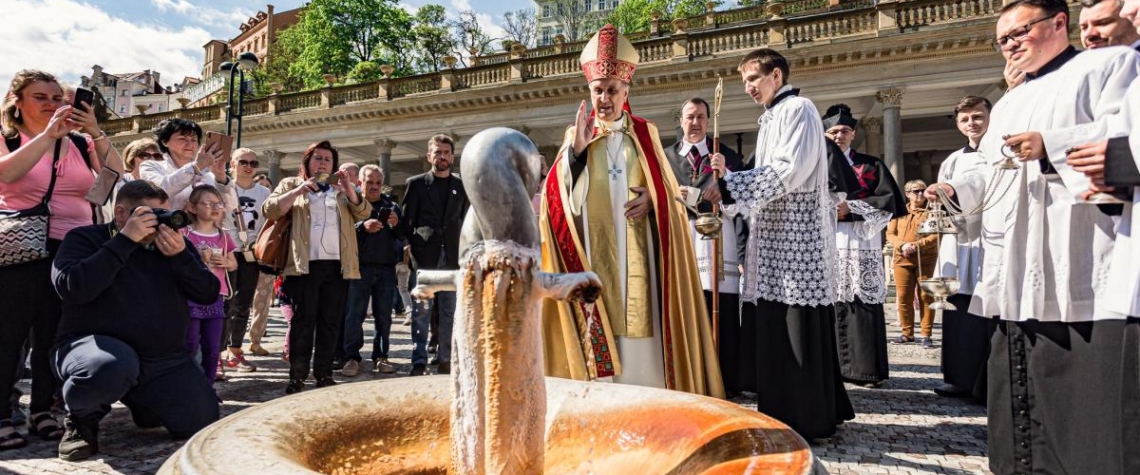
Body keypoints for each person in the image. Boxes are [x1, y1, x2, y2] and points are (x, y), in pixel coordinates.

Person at [925, 0, 1140, 472]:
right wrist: (954, 191)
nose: (1010, 45)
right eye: (1002, 39)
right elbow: (991, 175)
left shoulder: (1108, 65)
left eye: (1019, 32)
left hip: (1079, 255)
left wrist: (1052, 147)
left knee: (1085, 404)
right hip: (1016, 265)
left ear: (1059, 22)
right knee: (1017, 395)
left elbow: (1125, 139)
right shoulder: (1008, 102)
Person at [538, 24, 723, 396]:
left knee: (642, 323)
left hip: (641, 251)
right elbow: (552, 203)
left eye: (611, 90)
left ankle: (647, 391)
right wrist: (575, 155)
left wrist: (654, 201)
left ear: (626, 91)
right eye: (597, 91)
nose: (604, 99)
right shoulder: (576, 135)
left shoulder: (645, 132)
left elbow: (670, 192)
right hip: (594, 251)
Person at [710, 48, 854, 440]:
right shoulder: (770, 117)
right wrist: (730, 189)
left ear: (776, 75)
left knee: (797, 325)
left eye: (753, 78)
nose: (748, 87)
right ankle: (785, 410)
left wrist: (728, 186)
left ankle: (805, 416)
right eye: (744, 81)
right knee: (778, 325)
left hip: (797, 237)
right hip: (773, 236)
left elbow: (790, 170)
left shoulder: (800, 109)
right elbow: (766, 174)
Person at [51, 180, 220, 461]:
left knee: (200, 421)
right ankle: (81, 420)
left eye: (162, 214)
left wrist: (181, 258)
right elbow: (72, 288)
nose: (158, 223)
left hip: (162, 358)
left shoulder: (175, 245)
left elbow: (208, 294)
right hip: (94, 350)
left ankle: (144, 403)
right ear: (120, 214)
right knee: (109, 367)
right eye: (148, 214)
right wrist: (124, 241)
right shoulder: (85, 238)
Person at [0, 69, 124, 450]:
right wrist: (47, 138)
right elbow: (6, 176)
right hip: (23, 247)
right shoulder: (8, 138)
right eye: (42, 97)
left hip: (73, 248)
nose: (53, 104)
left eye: (58, 98)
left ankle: (43, 409)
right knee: (10, 334)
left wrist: (96, 132)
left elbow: (115, 173)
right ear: (17, 102)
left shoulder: (79, 143)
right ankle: (3, 414)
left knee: (55, 334)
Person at [263, 141, 370, 394]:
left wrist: (348, 188)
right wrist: (300, 190)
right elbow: (269, 209)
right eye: (317, 158)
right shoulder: (291, 184)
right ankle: (297, 377)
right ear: (307, 162)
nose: (322, 163)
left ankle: (324, 375)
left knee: (330, 322)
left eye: (327, 160)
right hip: (302, 266)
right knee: (302, 322)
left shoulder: (343, 190)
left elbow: (364, 212)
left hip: (337, 266)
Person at [663, 97, 749, 393]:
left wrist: (726, 179)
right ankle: (690, 376)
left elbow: (741, 202)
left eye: (701, 117)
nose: (695, 122)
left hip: (717, 243)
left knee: (720, 309)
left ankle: (724, 379)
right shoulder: (666, 157)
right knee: (687, 306)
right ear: (681, 121)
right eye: (690, 117)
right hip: (683, 240)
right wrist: (694, 198)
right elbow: (663, 195)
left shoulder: (725, 156)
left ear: (708, 121)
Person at [823, 103, 904, 385]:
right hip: (828, 241)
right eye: (833, 131)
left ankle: (864, 369)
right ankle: (833, 367)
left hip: (860, 241)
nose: (838, 136)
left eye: (844, 131)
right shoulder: (818, 166)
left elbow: (888, 201)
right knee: (831, 301)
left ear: (853, 133)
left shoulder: (870, 165)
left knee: (861, 300)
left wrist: (852, 209)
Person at [933, 96, 994, 400]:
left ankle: (986, 383)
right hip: (958, 241)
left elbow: (979, 183)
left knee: (985, 309)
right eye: (965, 119)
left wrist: (953, 190)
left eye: (978, 117)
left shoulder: (1000, 151)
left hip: (988, 239)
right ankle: (958, 377)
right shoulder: (953, 159)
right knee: (957, 309)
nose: (972, 123)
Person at [402, 135, 468, 376]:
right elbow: (407, 221)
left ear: (452, 156)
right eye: (437, 152)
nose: (442, 156)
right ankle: (418, 359)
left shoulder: (461, 186)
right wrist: (415, 247)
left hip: (453, 258)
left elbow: (465, 220)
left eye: (446, 152)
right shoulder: (416, 184)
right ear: (429, 156)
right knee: (421, 312)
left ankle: (445, 358)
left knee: (450, 312)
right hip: (426, 258)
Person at [341, 165, 404, 376]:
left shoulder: (392, 205)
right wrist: (362, 226)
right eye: (369, 182)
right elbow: (343, 232)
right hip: (360, 268)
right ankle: (351, 357)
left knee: (384, 316)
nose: (374, 187)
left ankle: (381, 356)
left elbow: (403, 235)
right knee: (354, 315)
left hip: (386, 268)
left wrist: (396, 224)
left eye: (378, 183)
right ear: (360, 183)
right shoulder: (353, 204)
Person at [181, 185, 237, 384]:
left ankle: (208, 387)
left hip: (216, 296)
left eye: (218, 204)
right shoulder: (184, 234)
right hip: (191, 298)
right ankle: (189, 386)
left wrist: (226, 262)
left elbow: (233, 264)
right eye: (208, 203)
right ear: (193, 208)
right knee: (190, 344)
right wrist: (196, 256)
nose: (215, 207)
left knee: (213, 348)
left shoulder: (223, 236)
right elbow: (178, 263)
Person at [222, 148, 271, 371]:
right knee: (224, 302)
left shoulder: (263, 193)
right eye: (243, 162)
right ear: (232, 164)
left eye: (253, 162)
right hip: (226, 251)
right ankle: (217, 352)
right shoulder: (223, 188)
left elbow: (268, 223)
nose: (248, 166)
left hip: (251, 253)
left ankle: (235, 350)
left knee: (243, 303)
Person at [885, 180, 938, 347]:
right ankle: (907, 333)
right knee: (903, 297)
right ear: (908, 194)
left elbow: (936, 235)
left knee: (926, 296)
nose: (920, 194)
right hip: (902, 259)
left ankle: (926, 334)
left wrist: (917, 245)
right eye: (916, 191)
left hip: (926, 259)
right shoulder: (899, 211)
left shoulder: (932, 213)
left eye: (922, 190)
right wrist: (902, 245)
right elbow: (890, 234)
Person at [139, 118, 232, 212]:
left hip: (202, 226)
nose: (189, 144)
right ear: (164, 142)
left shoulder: (208, 172)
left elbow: (230, 207)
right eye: (182, 139)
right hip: (168, 226)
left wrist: (220, 176)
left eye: (194, 139)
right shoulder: (150, 166)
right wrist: (196, 167)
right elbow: (160, 192)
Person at [247, 173, 276, 355]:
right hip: (244, 251)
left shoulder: (271, 201)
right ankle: (232, 343)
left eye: (268, 185)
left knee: (262, 300)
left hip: (265, 253)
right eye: (261, 184)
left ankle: (255, 340)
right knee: (241, 301)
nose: (264, 188)